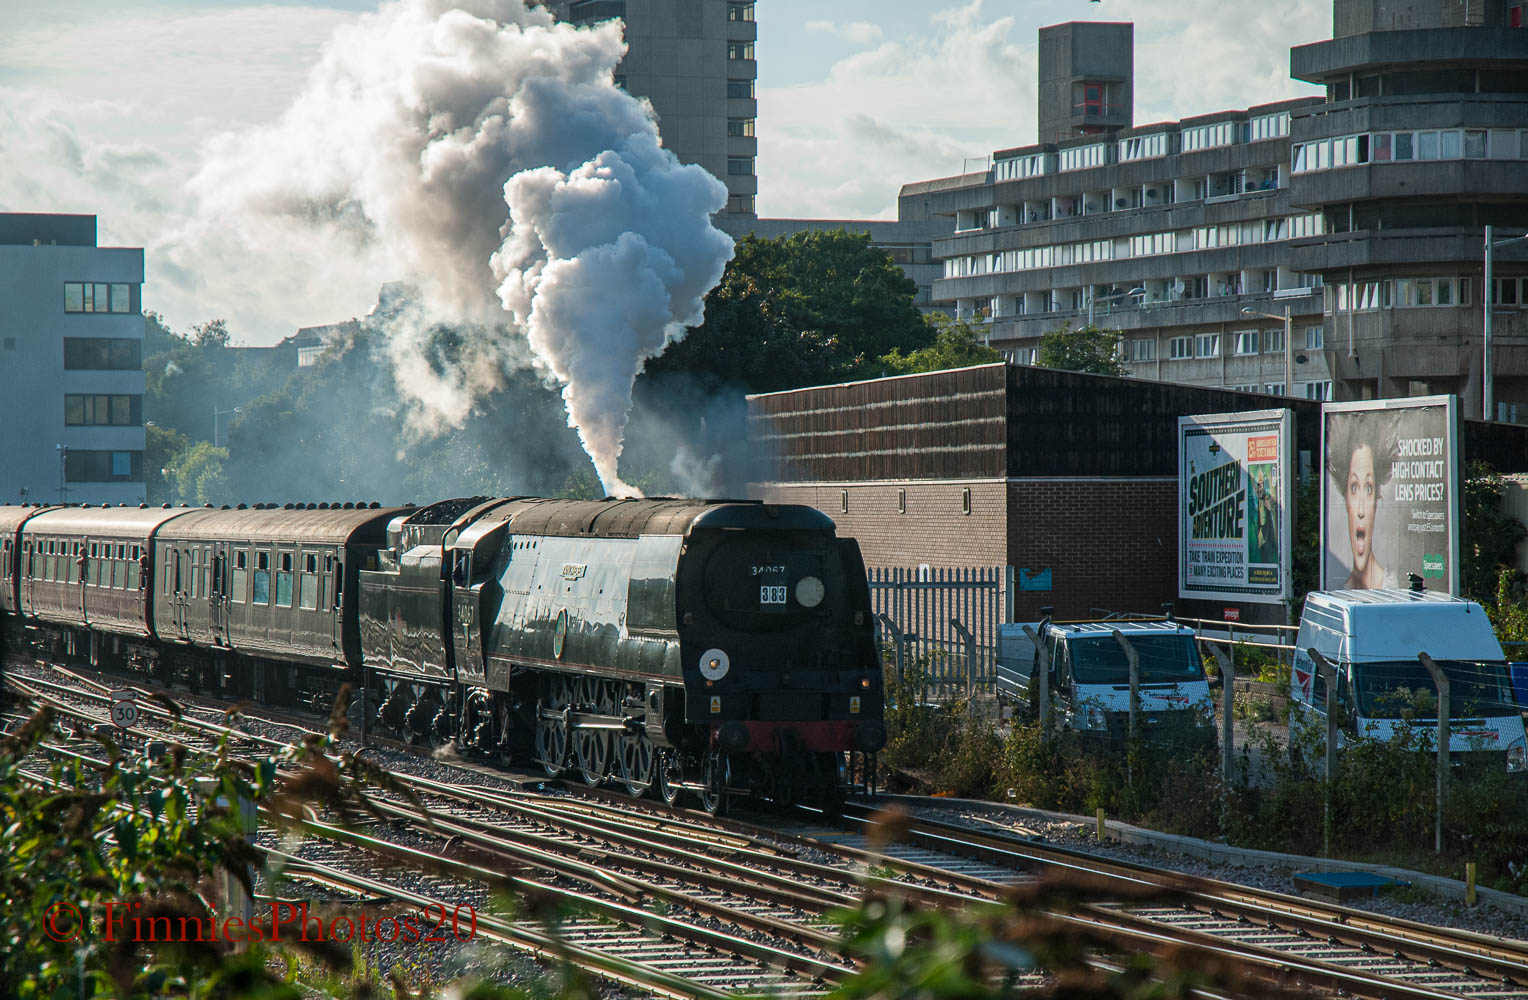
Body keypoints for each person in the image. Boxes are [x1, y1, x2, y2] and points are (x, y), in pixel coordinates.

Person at [1326, 415, 1400, 590]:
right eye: (1353, 488)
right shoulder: (1341, 593)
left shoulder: (1392, 587)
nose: (1360, 510)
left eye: (1368, 488)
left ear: (1376, 500)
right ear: (1345, 500)